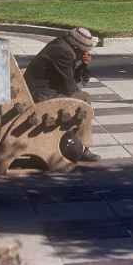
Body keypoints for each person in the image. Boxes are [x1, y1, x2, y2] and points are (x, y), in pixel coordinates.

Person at [24, 26, 101, 163]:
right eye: (85, 50)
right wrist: (80, 65)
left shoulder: (61, 44)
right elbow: (70, 87)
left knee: (83, 98)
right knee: (84, 102)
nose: (86, 52)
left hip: (42, 90)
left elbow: (71, 80)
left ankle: (79, 142)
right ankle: (84, 147)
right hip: (41, 95)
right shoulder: (64, 52)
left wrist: (82, 64)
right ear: (77, 47)